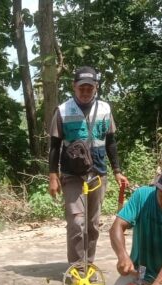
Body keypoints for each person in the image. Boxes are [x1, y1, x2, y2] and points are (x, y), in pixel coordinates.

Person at [48, 66, 129, 266]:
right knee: (77, 222)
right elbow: (55, 145)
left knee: (92, 224)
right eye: (81, 88)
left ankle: (88, 265)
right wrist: (53, 175)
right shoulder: (63, 110)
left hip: (98, 173)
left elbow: (110, 142)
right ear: (74, 87)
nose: (85, 92)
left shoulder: (105, 109)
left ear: (96, 88)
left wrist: (117, 171)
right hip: (72, 173)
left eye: (89, 88)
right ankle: (77, 268)